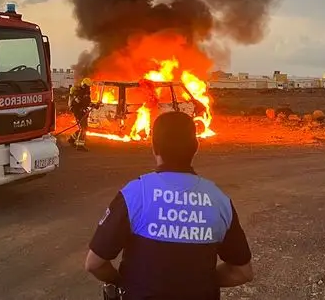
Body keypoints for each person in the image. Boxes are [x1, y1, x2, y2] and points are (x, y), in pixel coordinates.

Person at [84, 111, 254, 299]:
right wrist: (200, 282)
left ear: (154, 147)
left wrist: (122, 282)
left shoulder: (135, 194)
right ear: (195, 147)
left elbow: (95, 264)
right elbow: (242, 272)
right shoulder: (219, 201)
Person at [68, 78, 93, 151]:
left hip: (82, 112)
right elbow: (75, 104)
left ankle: (72, 139)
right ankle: (80, 145)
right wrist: (81, 108)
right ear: (85, 85)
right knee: (83, 128)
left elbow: (86, 103)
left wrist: (94, 105)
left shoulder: (85, 93)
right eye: (88, 86)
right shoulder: (79, 93)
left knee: (83, 128)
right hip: (78, 112)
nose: (89, 88)